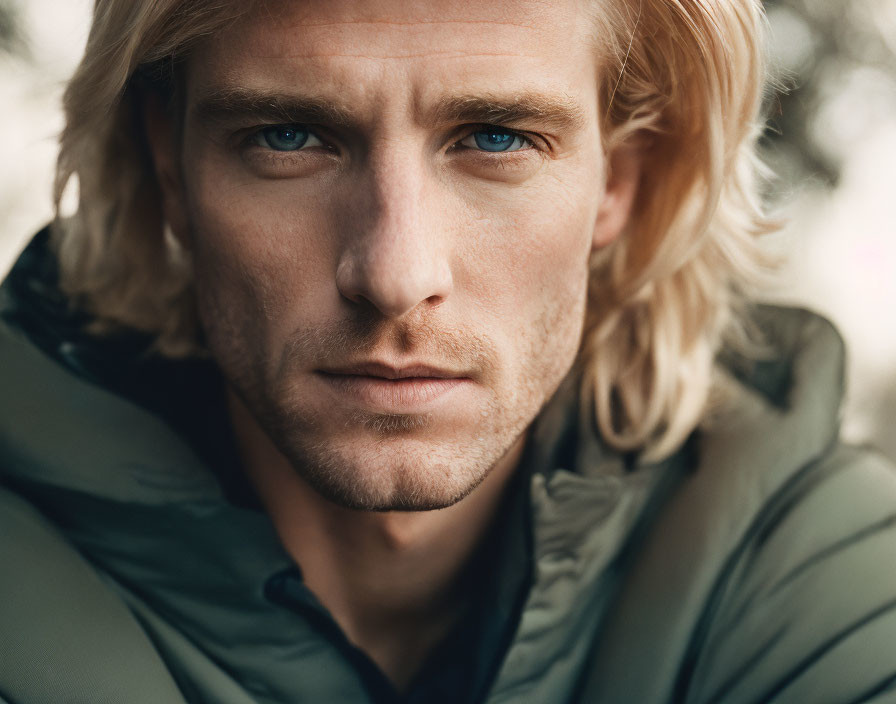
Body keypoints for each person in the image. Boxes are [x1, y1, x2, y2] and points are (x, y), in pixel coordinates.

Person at [1, 0, 894, 702]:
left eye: (497, 139)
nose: (394, 274)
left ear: (620, 179)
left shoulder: (817, 572)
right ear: (171, 167)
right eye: (289, 137)